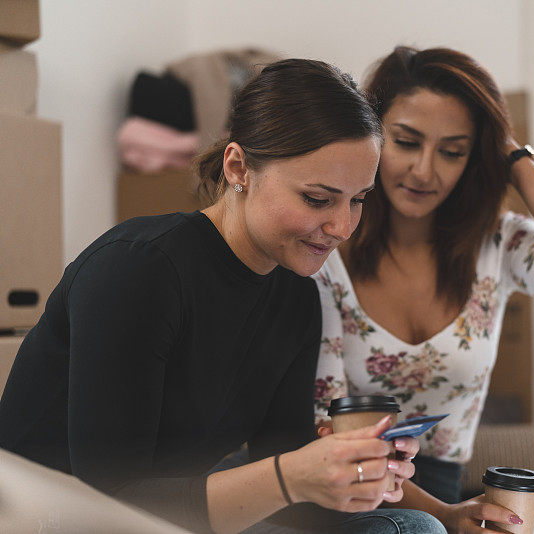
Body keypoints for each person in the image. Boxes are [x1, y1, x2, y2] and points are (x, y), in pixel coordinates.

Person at [0, 59, 445, 534]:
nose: (341, 228)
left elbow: (289, 493)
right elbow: (112, 498)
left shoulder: (297, 297)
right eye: (318, 199)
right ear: (239, 168)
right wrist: (293, 477)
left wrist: (355, 476)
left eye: (358, 199)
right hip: (57, 519)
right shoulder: (138, 269)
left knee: (409, 527)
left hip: (176, 517)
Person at [313, 46, 534, 533]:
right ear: (371, 134)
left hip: (437, 478)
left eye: (452, 151)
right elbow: (323, 435)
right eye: (406, 142)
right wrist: (445, 516)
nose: (424, 171)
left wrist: (514, 157)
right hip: (334, 480)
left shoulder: (496, 245)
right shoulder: (325, 250)